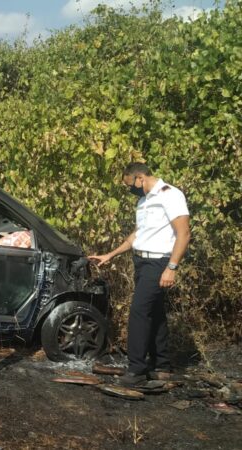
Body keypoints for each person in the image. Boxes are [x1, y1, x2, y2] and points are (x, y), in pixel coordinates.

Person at [89, 162, 190, 386]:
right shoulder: (144, 201)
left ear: (140, 178)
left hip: (159, 262)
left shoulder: (170, 195)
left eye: (130, 185)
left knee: (139, 312)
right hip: (141, 262)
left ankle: (136, 370)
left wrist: (171, 268)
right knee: (154, 312)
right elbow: (137, 235)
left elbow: (184, 233)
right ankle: (161, 365)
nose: (130, 190)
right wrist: (111, 254)